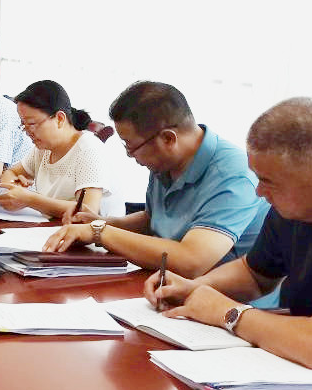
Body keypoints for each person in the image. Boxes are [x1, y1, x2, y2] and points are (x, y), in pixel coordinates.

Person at [147, 98, 312, 379]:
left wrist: (227, 312)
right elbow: (255, 273)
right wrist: (196, 288)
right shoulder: (301, 204)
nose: (259, 192)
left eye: (269, 182)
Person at [43, 81, 269, 277]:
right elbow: (153, 219)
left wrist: (100, 232)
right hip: (165, 284)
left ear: (168, 139)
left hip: (226, 302)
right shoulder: (165, 161)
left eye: (131, 146)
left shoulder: (235, 174)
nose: (129, 155)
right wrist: (102, 222)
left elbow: (192, 261)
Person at [0, 80, 111, 219]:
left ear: (59, 119)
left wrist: (29, 199)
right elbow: (11, 172)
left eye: (32, 123)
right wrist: (14, 187)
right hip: (52, 226)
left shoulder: (88, 149)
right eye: (23, 125)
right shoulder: (43, 148)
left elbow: (87, 211)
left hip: (93, 232)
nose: (27, 132)